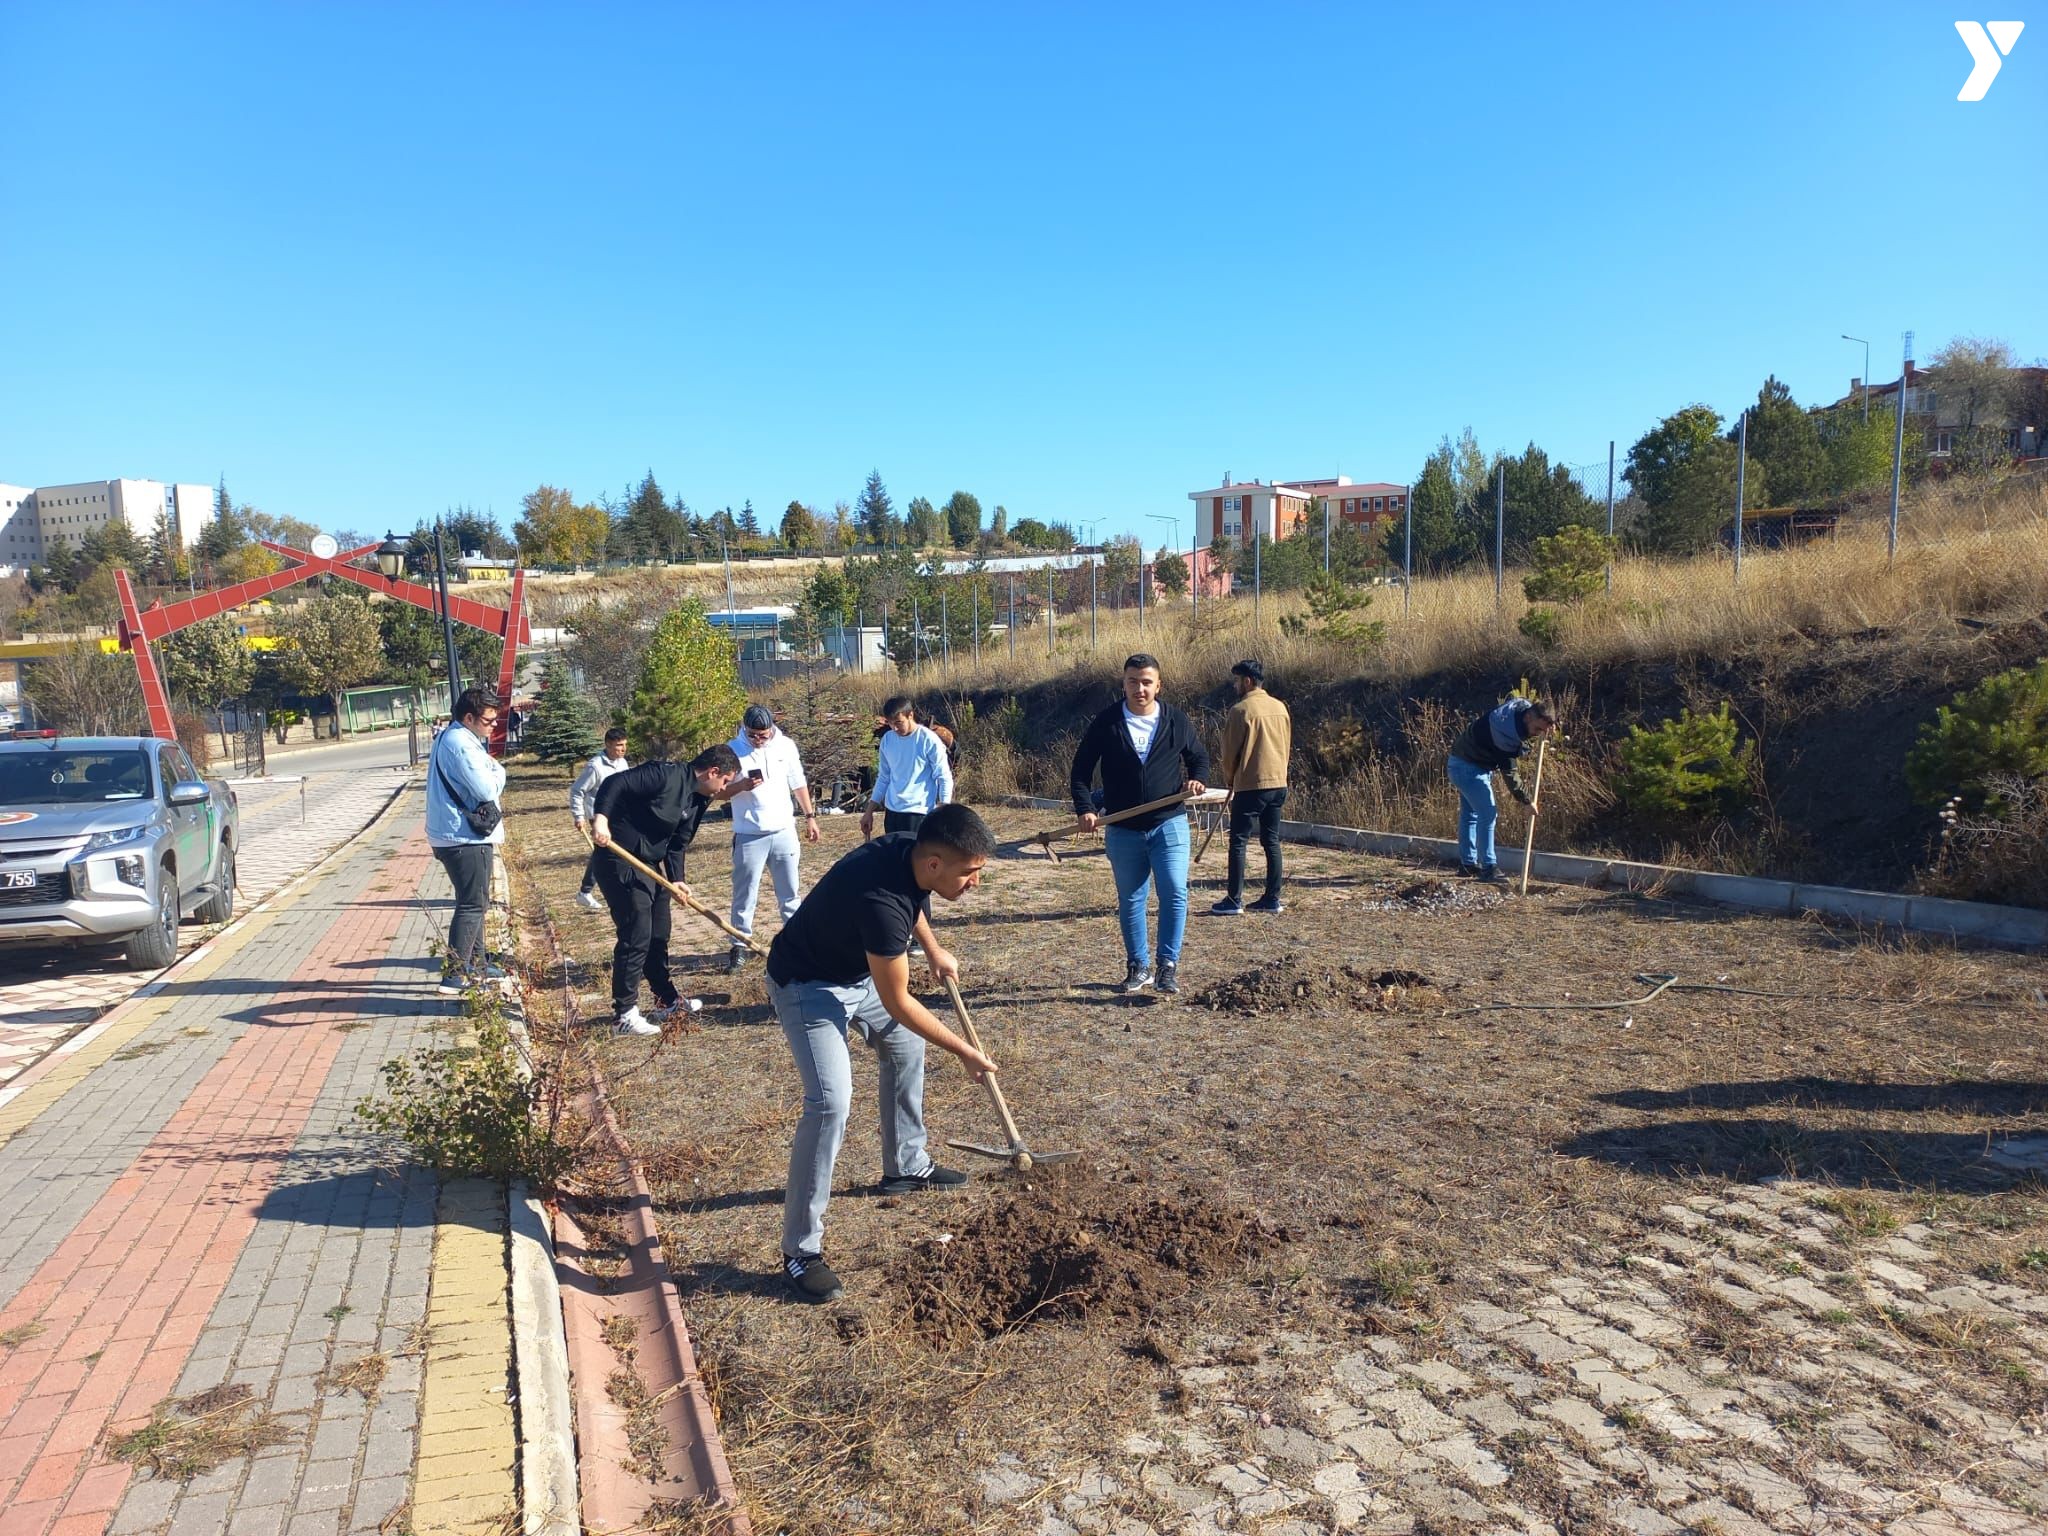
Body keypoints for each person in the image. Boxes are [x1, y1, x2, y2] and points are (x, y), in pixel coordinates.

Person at [767, 803, 999, 1303]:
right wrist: (963, 1050)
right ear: (935, 864)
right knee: (830, 1102)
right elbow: (899, 999)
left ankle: (906, 1165)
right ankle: (799, 1252)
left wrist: (933, 950)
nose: (974, 883)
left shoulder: (906, 851)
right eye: (970, 873)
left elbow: (912, 904)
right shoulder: (879, 898)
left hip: (855, 974)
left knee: (903, 1044)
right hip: (808, 983)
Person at [1069, 653, 1210, 996]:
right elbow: (1081, 772)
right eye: (1133, 681)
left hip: (1169, 822)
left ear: (1158, 685)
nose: (1140, 688)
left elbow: (1199, 758)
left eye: (1147, 682)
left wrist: (1196, 781)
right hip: (1123, 827)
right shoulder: (1107, 722)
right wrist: (1086, 809)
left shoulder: (1175, 720)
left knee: (1175, 891)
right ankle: (1138, 966)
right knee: (1132, 898)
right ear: (1124, 684)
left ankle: (1167, 967)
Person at [590, 742, 743, 1035]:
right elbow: (614, 783)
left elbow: (677, 844)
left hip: (649, 866)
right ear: (712, 771)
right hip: (618, 858)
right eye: (724, 781)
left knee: (658, 934)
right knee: (636, 932)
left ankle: (666, 1000)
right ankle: (623, 1014)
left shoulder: (699, 799)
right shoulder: (665, 775)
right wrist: (602, 819)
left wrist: (677, 880)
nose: (724, 788)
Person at [425, 687, 508, 996]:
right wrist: (499, 771)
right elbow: (488, 789)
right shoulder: (461, 744)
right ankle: (454, 975)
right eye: (489, 721)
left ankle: (478, 963)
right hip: (464, 836)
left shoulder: (451, 738)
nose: (494, 726)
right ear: (469, 717)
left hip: (452, 833)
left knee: (475, 901)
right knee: (472, 904)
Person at [725, 705, 819, 973]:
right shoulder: (732, 749)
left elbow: (797, 782)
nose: (758, 740)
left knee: (790, 891)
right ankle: (740, 944)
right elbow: (718, 790)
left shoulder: (786, 746)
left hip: (783, 830)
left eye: (763, 735)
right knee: (745, 893)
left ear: (772, 729)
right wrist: (740, 786)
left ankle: (796, 942)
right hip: (749, 834)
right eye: (753, 735)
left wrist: (809, 816)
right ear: (744, 728)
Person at [1211, 658, 1292, 916]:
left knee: (1238, 842)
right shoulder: (1280, 707)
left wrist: (1230, 778)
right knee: (1271, 841)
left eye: (1237, 680)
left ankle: (1234, 900)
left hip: (1251, 785)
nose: (1235, 685)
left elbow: (1229, 753)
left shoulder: (1240, 710)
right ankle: (1272, 898)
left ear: (1247, 681)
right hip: (1278, 782)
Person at [1447, 697, 1557, 882]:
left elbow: (1538, 712)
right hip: (1466, 768)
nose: (1539, 734)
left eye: (1543, 730)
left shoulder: (1521, 709)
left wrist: (1549, 725)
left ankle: (1468, 864)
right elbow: (1510, 773)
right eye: (1538, 729)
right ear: (1528, 717)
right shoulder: (1505, 733)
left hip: (1465, 762)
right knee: (1488, 813)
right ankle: (1489, 868)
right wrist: (1527, 801)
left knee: (1471, 814)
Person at [862, 695, 954, 839]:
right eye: (890, 723)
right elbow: (884, 777)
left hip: (919, 813)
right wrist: (869, 811)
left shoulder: (928, 739)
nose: (895, 727)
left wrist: (943, 807)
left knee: (915, 860)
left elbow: (944, 776)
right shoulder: (887, 739)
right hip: (892, 813)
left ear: (910, 715)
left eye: (899, 722)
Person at [570, 728, 632, 911]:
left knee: (608, 853)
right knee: (605, 853)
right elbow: (577, 791)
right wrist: (578, 816)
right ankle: (586, 891)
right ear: (608, 745)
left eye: (625, 745)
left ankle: (588, 891)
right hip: (598, 818)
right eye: (619, 745)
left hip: (618, 816)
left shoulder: (622, 763)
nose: (622, 749)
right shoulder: (595, 766)